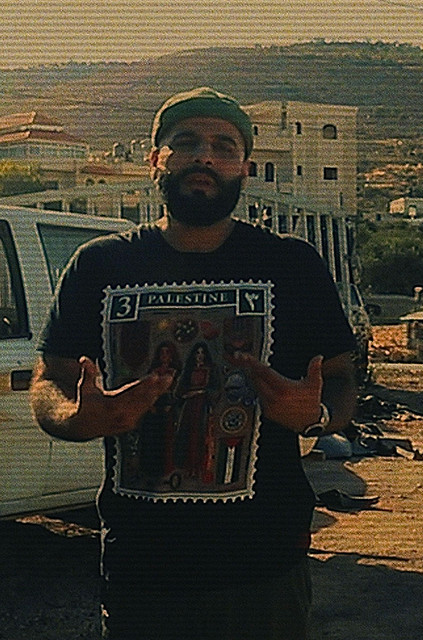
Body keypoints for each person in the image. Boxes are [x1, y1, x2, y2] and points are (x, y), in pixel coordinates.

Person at [29, 86, 359, 640]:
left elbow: (344, 378)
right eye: (186, 143)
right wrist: (76, 417)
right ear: (154, 159)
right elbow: (50, 379)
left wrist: (316, 415)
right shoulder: (99, 266)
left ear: (245, 168)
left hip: (264, 570)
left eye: (224, 147)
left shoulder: (292, 265)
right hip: (142, 569)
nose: (205, 156)